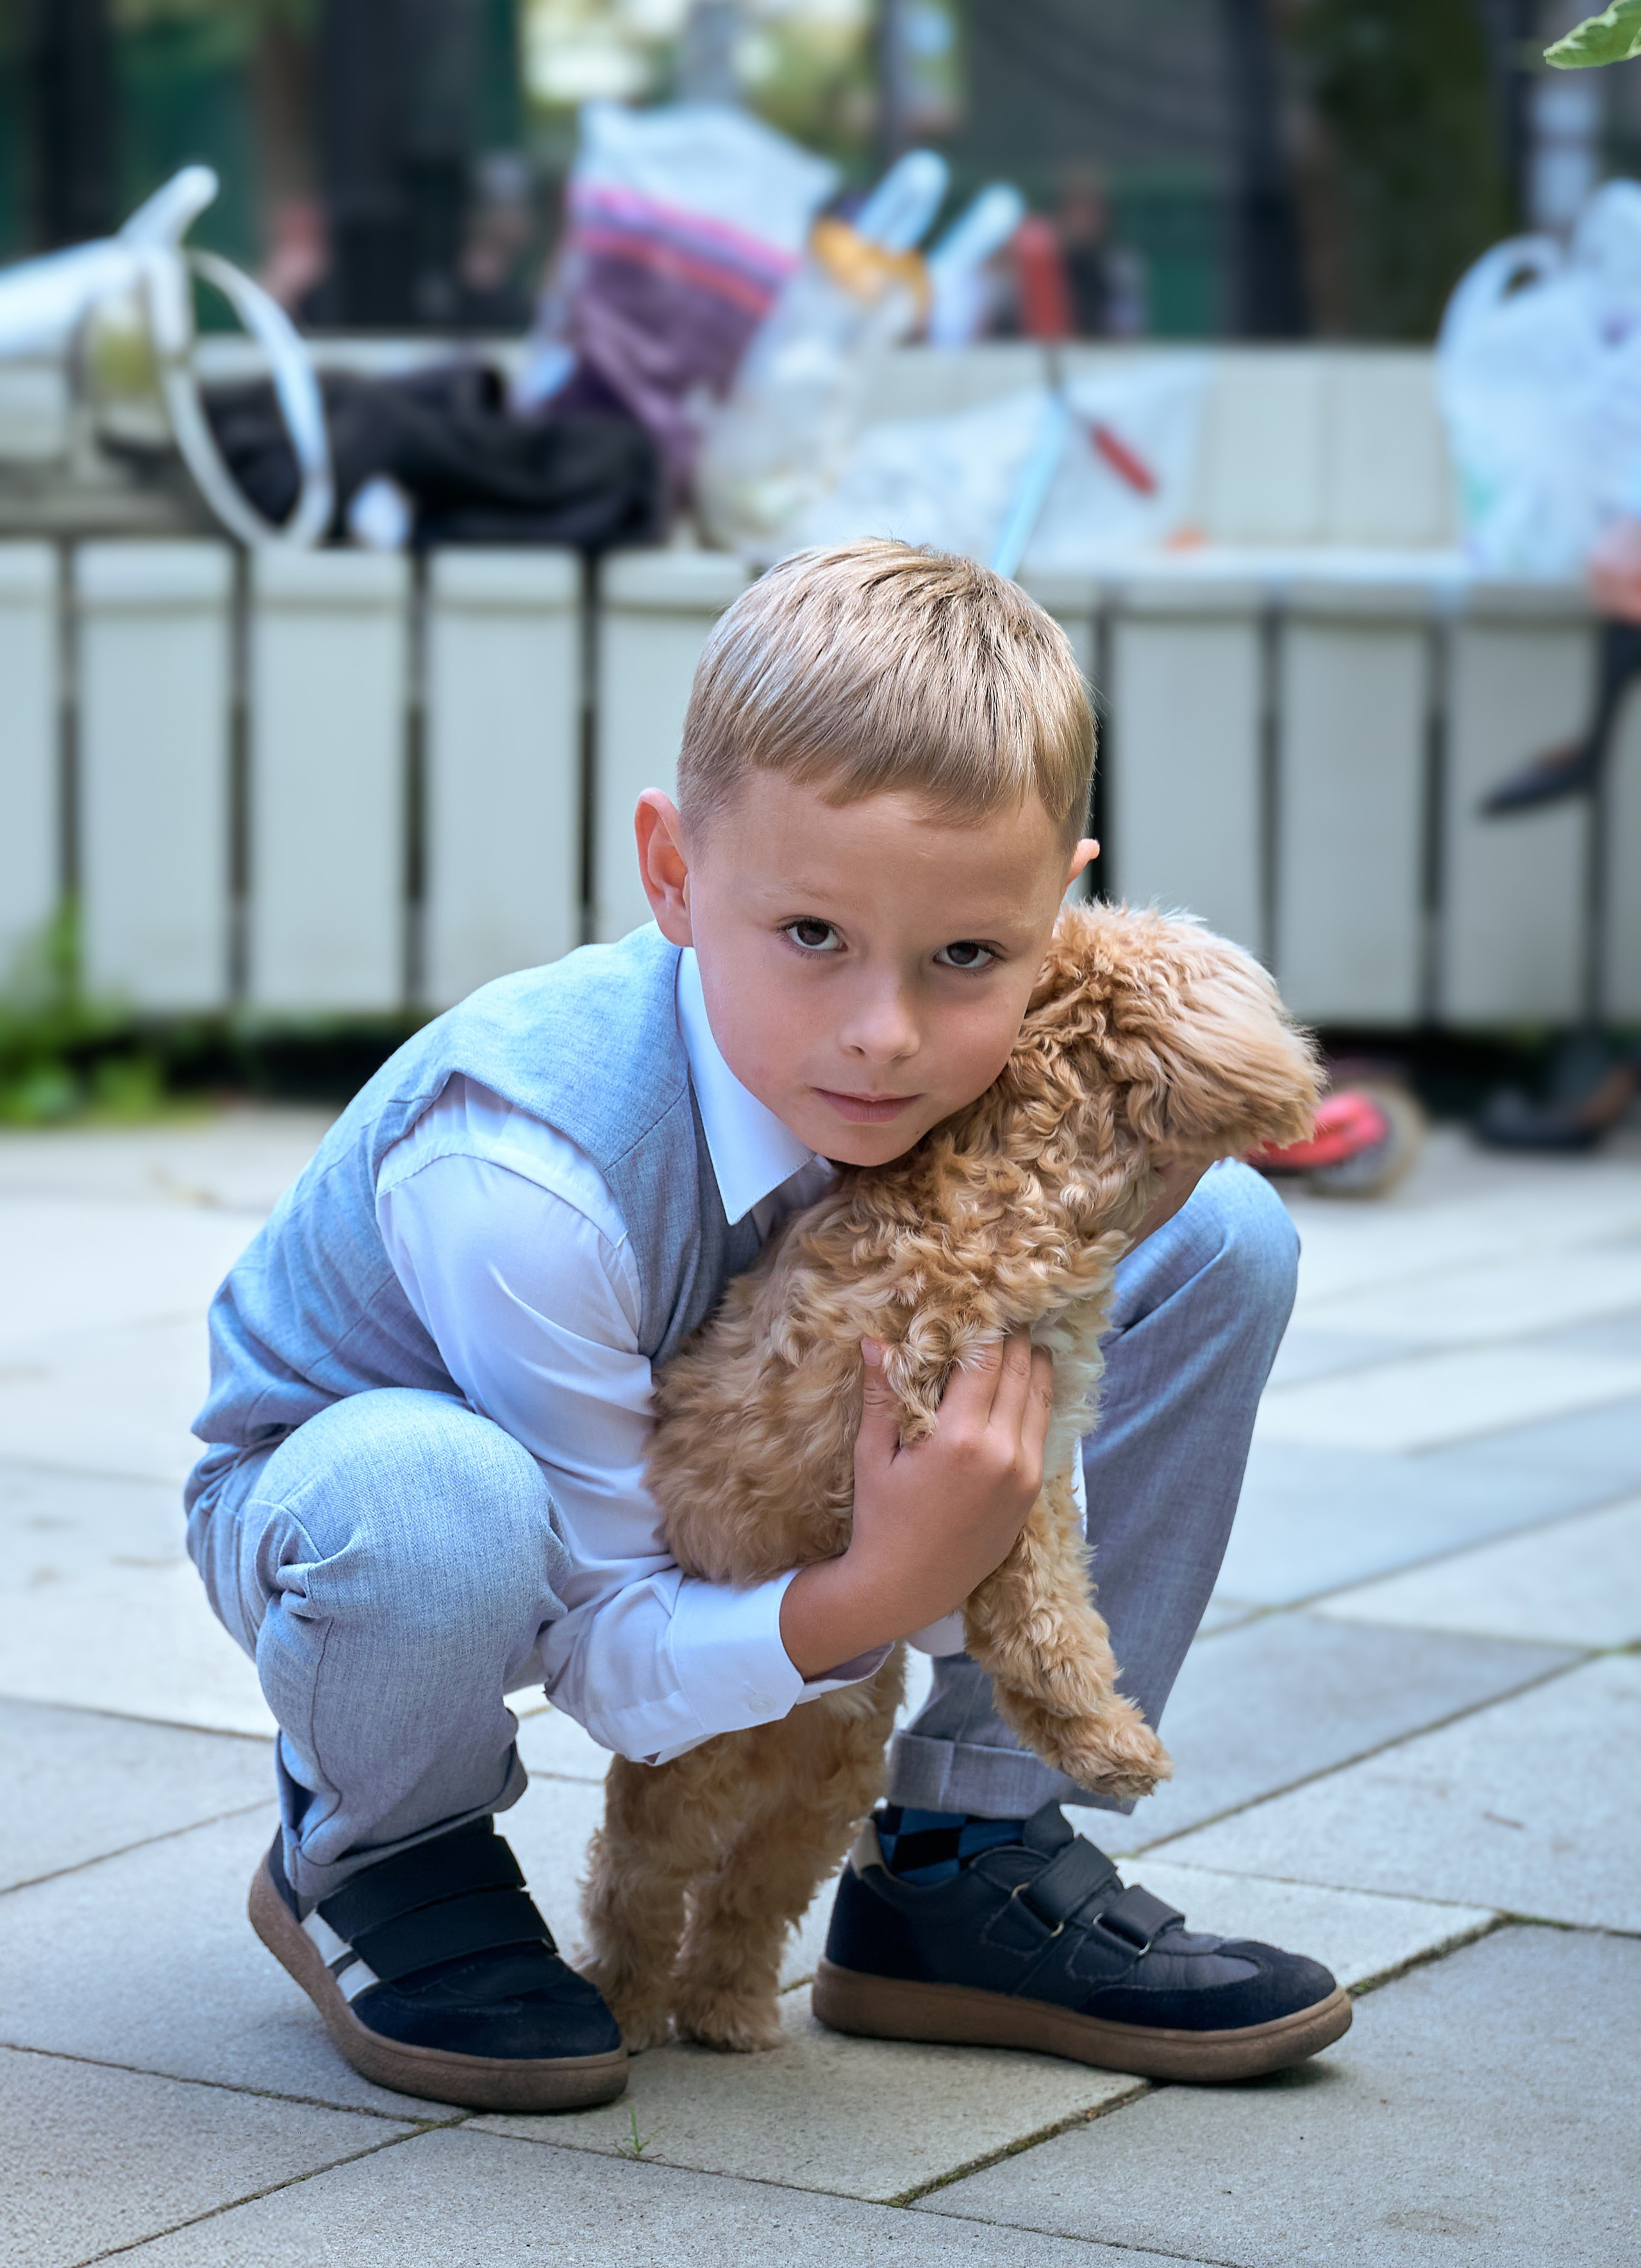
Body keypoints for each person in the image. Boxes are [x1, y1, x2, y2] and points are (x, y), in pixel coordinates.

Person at [184, 539, 1343, 2112]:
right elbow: (605, 1645)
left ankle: (965, 1849)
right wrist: (879, 1590)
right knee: (434, 1500)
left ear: (1059, 908)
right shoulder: (523, 1171)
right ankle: (381, 1847)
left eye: (966, 956)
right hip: (385, 1519)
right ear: (671, 873)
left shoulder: (974, 1061)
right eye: (809, 936)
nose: (884, 1035)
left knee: (1219, 1236)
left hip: (716, 1452)